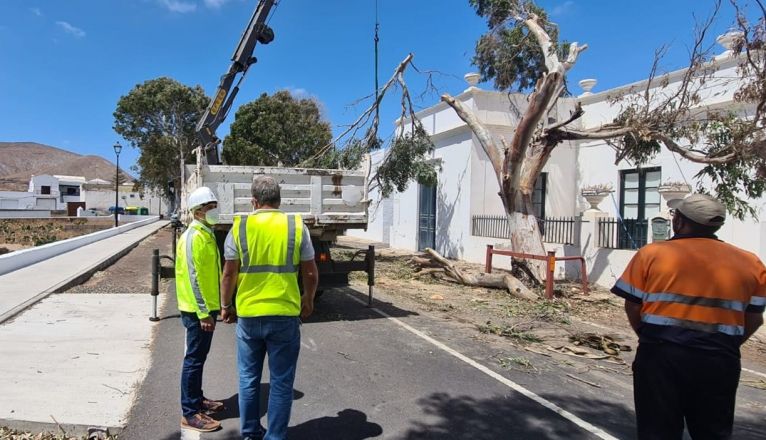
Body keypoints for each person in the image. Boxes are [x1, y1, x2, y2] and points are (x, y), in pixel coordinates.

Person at [611, 193, 766, 439]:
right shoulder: (751, 262)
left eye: (675, 215)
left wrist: (648, 336)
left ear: (680, 222)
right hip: (719, 360)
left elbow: (632, 306)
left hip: (661, 356)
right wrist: (723, 344)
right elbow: (755, 319)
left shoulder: (652, 254)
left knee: (658, 431)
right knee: (712, 432)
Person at [221, 175, 319, 440]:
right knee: (281, 383)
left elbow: (229, 273)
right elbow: (310, 272)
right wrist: (308, 300)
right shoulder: (296, 226)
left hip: (249, 317)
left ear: (254, 201)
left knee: (248, 380)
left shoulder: (240, 226)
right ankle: (275, 436)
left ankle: (250, 433)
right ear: (278, 201)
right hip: (285, 315)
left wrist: (225, 306)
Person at [176, 186, 225, 432]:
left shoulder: (206, 233)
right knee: (194, 359)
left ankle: (198, 400)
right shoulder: (193, 237)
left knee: (200, 357)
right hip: (197, 311)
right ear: (197, 212)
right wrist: (204, 311)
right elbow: (193, 277)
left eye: (214, 207)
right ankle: (190, 413)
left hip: (207, 307)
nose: (213, 211)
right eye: (209, 208)